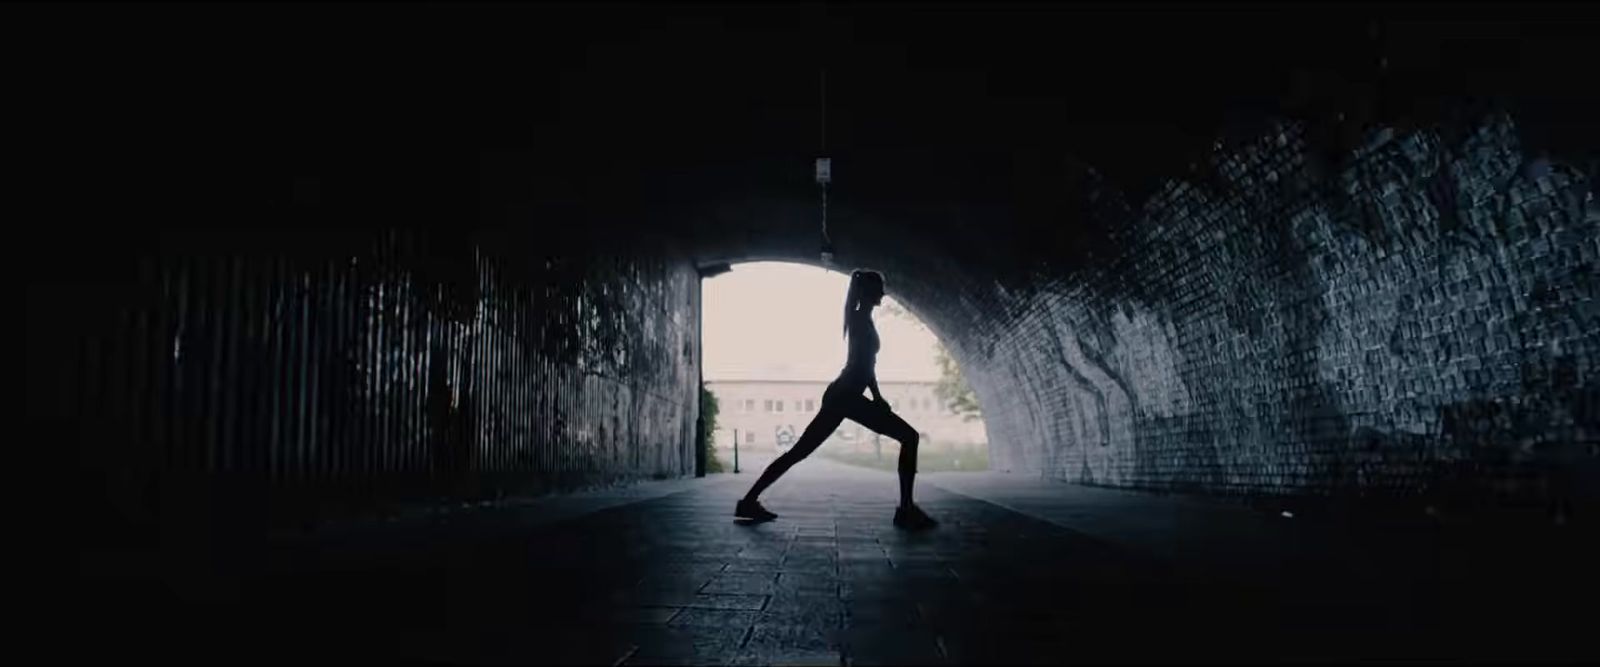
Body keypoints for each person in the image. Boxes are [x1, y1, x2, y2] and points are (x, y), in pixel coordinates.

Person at [734, 269, 937, 529]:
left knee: (798, 452)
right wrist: (876, 397)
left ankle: (748, 501)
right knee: (909, 437)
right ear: (866, 292)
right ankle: (906, 509)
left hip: (844, 394)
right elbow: (863, 365)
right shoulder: (860, 319)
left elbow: (867, 365)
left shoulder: (861, 318)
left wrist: (877, 397)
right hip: (846, 395)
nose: (883, 293)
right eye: (879, 288)